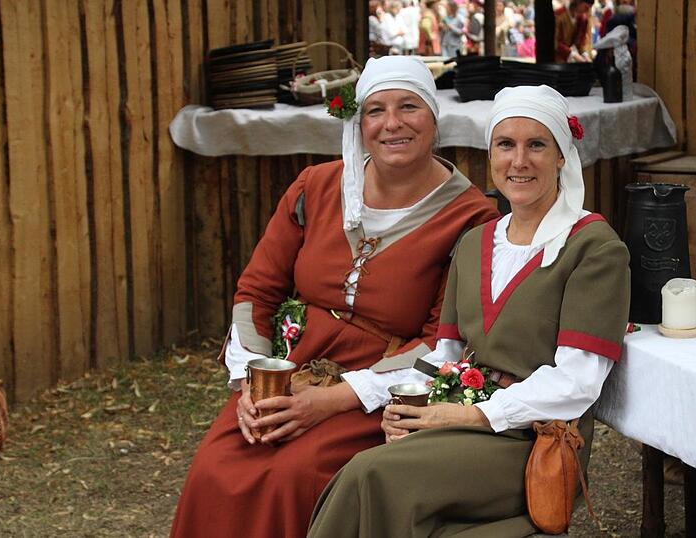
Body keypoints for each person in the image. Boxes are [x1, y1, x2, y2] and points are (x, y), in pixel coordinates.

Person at [170, 56, 498, 538]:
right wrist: (251, 386)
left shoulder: (470, 217)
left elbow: (440, 342)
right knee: (216, 467)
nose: (392, 124)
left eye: (409, 107)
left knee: (294, 476)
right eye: (375, 110)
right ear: (358, 121)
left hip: (382, 384)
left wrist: (332, 401)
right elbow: (256, 292)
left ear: (434, 117)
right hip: (291, 367)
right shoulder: (316, 187)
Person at [308, 85, 630, 537]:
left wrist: (464, 416)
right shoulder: (478, 242)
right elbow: (447, 357)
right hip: (466, 421)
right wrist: (406, 406)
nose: (519, 161)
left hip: (532, 441)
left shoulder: (594, 248)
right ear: (490, 154)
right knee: (367, 469)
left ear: (561, 156)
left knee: (375, 475)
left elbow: (577, 382)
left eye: (536, 145)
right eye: (505, 144)